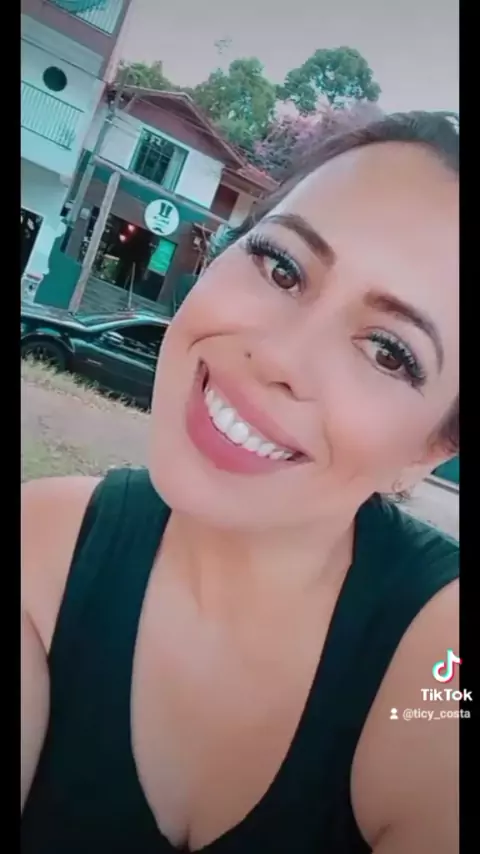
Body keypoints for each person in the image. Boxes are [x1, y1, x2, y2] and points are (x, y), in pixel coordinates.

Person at [21, 110, 459, 854]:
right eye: (283, 267)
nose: (280, 356)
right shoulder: (40, 553)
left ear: (430, 451)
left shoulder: (443, 670)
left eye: (389, 352)